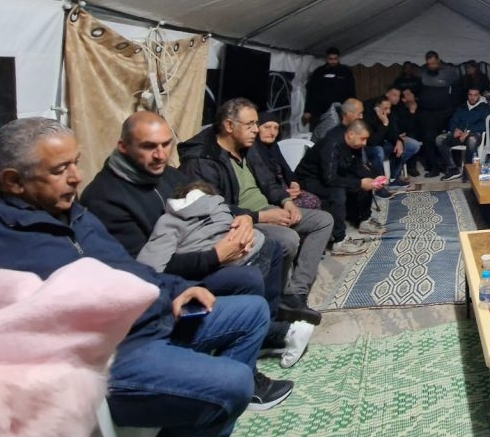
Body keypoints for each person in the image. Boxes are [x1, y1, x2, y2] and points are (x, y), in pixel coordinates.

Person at [0, 118, 285, 437]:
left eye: (76, 163)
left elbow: (130, 267)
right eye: (60, 170)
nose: (76, 177)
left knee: (251, 311)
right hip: (113, 354)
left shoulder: (72, 212)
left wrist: (177, 290)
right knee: (235, 383)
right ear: (13, 181)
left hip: (153, 318)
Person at [83, 111, 316, 367]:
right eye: (149, 147)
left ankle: (262, 335)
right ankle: (249, 352)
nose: (160, 155)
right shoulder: (106, 198)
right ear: (123, 147)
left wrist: (245, 218)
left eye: (165, 144)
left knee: (272, 246)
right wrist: (215, 256)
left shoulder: (166, 174)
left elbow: (207, 203)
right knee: (247, 277)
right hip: (167, 279)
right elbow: (140, 269)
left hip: (197, 247)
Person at [179, 98, 335, 321]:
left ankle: (295, 294)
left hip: (268, 209)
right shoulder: (203, 160)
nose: (255, 130)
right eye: (250, 124)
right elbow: (213, 210)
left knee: (323, 220)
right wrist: (262, 216)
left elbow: (269, 182)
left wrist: (286, 202)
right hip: (241, 219)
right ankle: (276, 302)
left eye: (256, 124)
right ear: (229, 126)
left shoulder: (248, 148)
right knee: (288, 239)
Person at [296, 119, 388, 254]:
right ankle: (339, 241)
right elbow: (330, 179)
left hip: (331, 174)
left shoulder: (354, 145)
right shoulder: (332, 144)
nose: (365, 143)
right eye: (362, 139)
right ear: (351, 134)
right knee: (337, 192)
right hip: (308, 179)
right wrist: (359, 184)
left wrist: (374, 178)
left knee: (364, 180)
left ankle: (364, 220)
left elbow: (357, 167)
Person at [254, 111, 323, 211]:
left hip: (284, 187)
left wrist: (294, 183)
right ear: (257, 129)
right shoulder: (253, 151)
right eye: (267, 127)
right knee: (310, 203)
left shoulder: (274, 147)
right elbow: (262, 183)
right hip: (269, 193)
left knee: (314, 200)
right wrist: (282, 194)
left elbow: (286, 169)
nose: (272, 132)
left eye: (276, 128)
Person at [417, 51, 461, 176]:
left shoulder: (449, 71)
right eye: (429, 64)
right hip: (426, 112)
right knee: (428, 140)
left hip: (444, 113)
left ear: (438, 60)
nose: (432, 66)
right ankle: (433, 168)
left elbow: (458, 89)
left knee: (441, 139)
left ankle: (447, 165)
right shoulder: (422, 71)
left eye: (434, 63)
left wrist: (452, 107)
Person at [436, 87, 490, 181]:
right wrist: (455, 129)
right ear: (467, 95)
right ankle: (453, 169)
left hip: (474, 135)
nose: (472, 97)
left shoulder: (485, 108)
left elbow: (487, 124)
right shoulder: (462, 107)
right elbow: (453, 120)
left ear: (479, 96)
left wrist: (469, 131)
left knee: (471, 140)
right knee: (440, 139)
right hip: (459, 136)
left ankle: (468, 173)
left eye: (475, 95)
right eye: (470, 95)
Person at [302, 47, 355, 131]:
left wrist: (352, 109)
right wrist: (308, 111)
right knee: (319, 131)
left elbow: (351, 91)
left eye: (335, 59)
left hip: (340, 109)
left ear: (339, 58)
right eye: (330, 59)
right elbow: (311, 92)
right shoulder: (319, 72)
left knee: (339, 131)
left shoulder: (346, 71)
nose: (333, 61)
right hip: (320, 110)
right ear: (326, 58)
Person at [393, 86, 423, 176]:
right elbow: (406, 127)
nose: (412, 95)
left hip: (420, 131)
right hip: (405, 133)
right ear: (403, 99)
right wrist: (412, 112)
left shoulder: (419, 105)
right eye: (408, 94)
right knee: (412, 135)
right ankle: (411, 167)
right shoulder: (399, 109)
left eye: (411, 93)